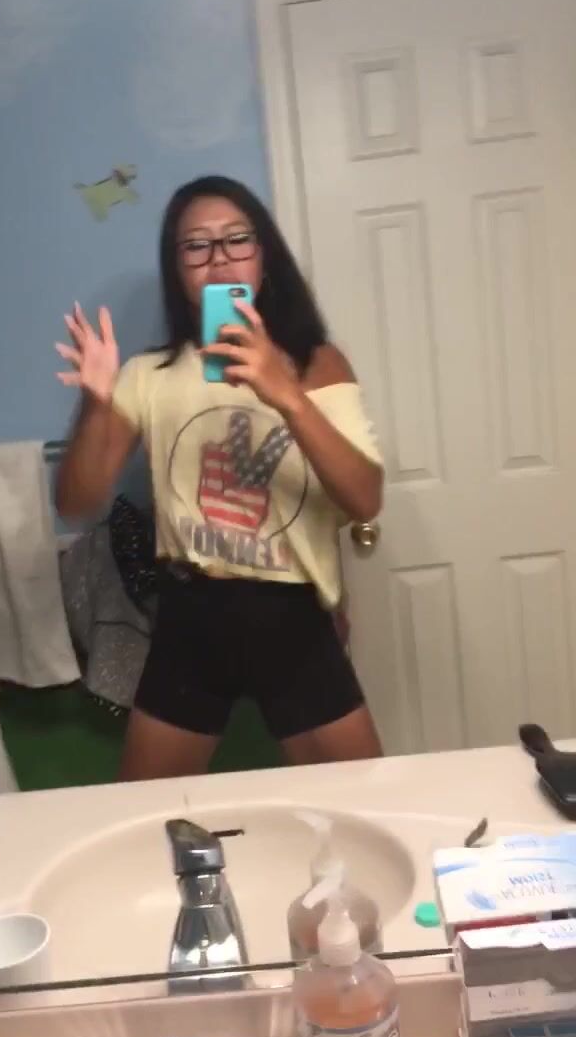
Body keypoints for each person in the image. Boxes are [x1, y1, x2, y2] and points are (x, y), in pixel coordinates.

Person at [54, 175, 384, 781]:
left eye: (237, 239)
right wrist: (96, 403)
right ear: (177, 268)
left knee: (361, 800)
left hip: (292, 615)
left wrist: (287, 395)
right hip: (191, 613)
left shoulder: (316, 362)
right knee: (147, 812)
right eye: (196, 246)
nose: (219, 259)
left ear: (264, 255)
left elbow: (365, 499)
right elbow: (76, 501)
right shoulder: (148, 375)